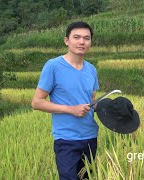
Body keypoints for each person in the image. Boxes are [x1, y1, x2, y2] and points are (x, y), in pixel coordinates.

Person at [31, 21, 99, 180]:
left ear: (90, 42)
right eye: (77, 37)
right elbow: (37, 102)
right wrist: (71, 109)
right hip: (67, 139)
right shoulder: (53, 66)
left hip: (90, 136)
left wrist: (107, 107)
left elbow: (91, 101)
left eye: (86, 38)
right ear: (66, 40)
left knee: (87, 177)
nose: (82, 42)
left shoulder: (91, 69)